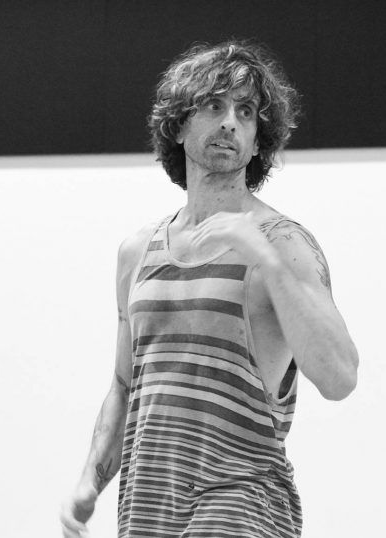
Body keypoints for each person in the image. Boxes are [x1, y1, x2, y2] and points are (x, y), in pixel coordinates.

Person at [60, 40, 358, 538]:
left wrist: (264, 260)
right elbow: (125, 386)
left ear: (259, 142)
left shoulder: (282, 244)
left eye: (246, 112)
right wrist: (90, 480)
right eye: (214, 106)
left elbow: (340, 377)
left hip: (240, 509)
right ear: (178, 125)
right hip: (148, 508)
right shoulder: (137, 251)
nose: (230, 123)